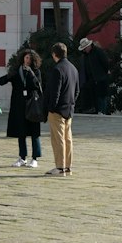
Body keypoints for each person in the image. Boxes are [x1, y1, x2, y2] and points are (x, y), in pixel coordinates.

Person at [0, 46, 43, 168]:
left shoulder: (36, 71)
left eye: (30, 58)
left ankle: (34, 158)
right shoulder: (17, 71)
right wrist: (9, 75)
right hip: (19, 105)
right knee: (21, 132)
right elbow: (1, 81)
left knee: (34, 132)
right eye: (26, 57)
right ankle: (22, 157)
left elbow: (37, 86)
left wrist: (32, 73)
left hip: (32, 104)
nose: (27, 60)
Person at [43, 41, 79, 176]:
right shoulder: (73, 69)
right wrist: (72, 103)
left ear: (54, 54)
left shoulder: (57, 69)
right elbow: (77, 90)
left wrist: (51, 107)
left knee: (58, 139)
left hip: (57, 110)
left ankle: (59, 167)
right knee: (67, 139)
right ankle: (67, 166)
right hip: (69, 109)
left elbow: (55, 92)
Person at [78, 36, 111, 114]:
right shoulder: (85, 56)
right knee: (95, 97)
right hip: (91, 80)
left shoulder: (98, 52)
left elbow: (105, 63)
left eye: (85, 48)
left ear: (89, 46)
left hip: (101, 78)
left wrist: (103, 73)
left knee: (102, 97)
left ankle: (103, 111)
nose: (85, 50)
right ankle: (98, 111)